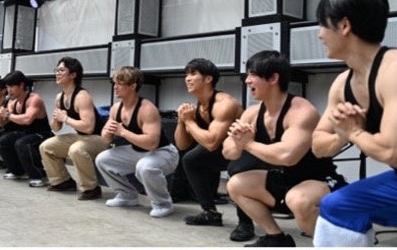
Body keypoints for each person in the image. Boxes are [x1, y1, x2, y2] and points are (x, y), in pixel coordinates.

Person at [311, 0, 397, 247]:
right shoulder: (342, 84)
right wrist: (342, 134)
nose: (319, 34)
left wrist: (353, 132)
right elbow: (317, 145)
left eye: (323, 24)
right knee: (336, 206)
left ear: (344, 26)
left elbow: (395, 152)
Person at [222, 50, 347, 247]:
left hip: (318, 181)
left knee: (298, 200)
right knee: (236, 184)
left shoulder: (301, 111)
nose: (247, 80)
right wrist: (238, 142)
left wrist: (247, 143)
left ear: (273, 78)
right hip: (285, 180)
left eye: (253, 74)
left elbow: (288, 156)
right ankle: (276, 238)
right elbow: (227, 151)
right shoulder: (252, 113)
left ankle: (336, 245)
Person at [95, 66, 179, 217]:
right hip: (138, 151)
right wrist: (107, 133)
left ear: (133, 86)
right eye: (115, 83)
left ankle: (163, 204)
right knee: (103, 159)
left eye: (120, 83)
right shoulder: (116, 109)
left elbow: (152, 143)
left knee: (145, 166)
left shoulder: (147, 109)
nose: (115, 87)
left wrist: (123, 132)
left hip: (164, 153)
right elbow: (106, 139)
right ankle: (127, 195)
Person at [174, 58, 243, 226]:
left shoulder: (224, 104)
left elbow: (211, 143)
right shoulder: (198, 106)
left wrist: (189, 122)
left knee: (236, 172)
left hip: (245, 152)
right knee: (190, 159)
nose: (188, 79)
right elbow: (182, 145)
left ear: (208, 79)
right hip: (223, 150)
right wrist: (181, 121)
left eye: (193, 74)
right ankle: (210, 212)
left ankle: (245, 224)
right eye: (186, 75)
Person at [37, 57, 109, 200]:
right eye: (57, 70)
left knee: (76, 149)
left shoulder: (82, 96)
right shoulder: (59, 97)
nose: (57, 73)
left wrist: (66, 118)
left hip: (100, 138)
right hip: (82, 137)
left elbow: (88, 128)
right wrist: (56, 120)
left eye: (61, 70)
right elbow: (56, 128)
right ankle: (62, 181)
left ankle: (91, 188)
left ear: (73, 74)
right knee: (46, 146)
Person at [0, 70, 53, 181]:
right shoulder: (14, 103)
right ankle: (18, 171)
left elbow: (27, 119)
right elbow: (2, 123)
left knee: (22, 143)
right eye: (7, 87)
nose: (9, 90)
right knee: (3, 141)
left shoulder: (34, 99)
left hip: (42, 134)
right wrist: (0, 115)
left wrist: (7, 115)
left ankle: (39, 175)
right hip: (27, 134)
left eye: (12, 86)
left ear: (21, 85)